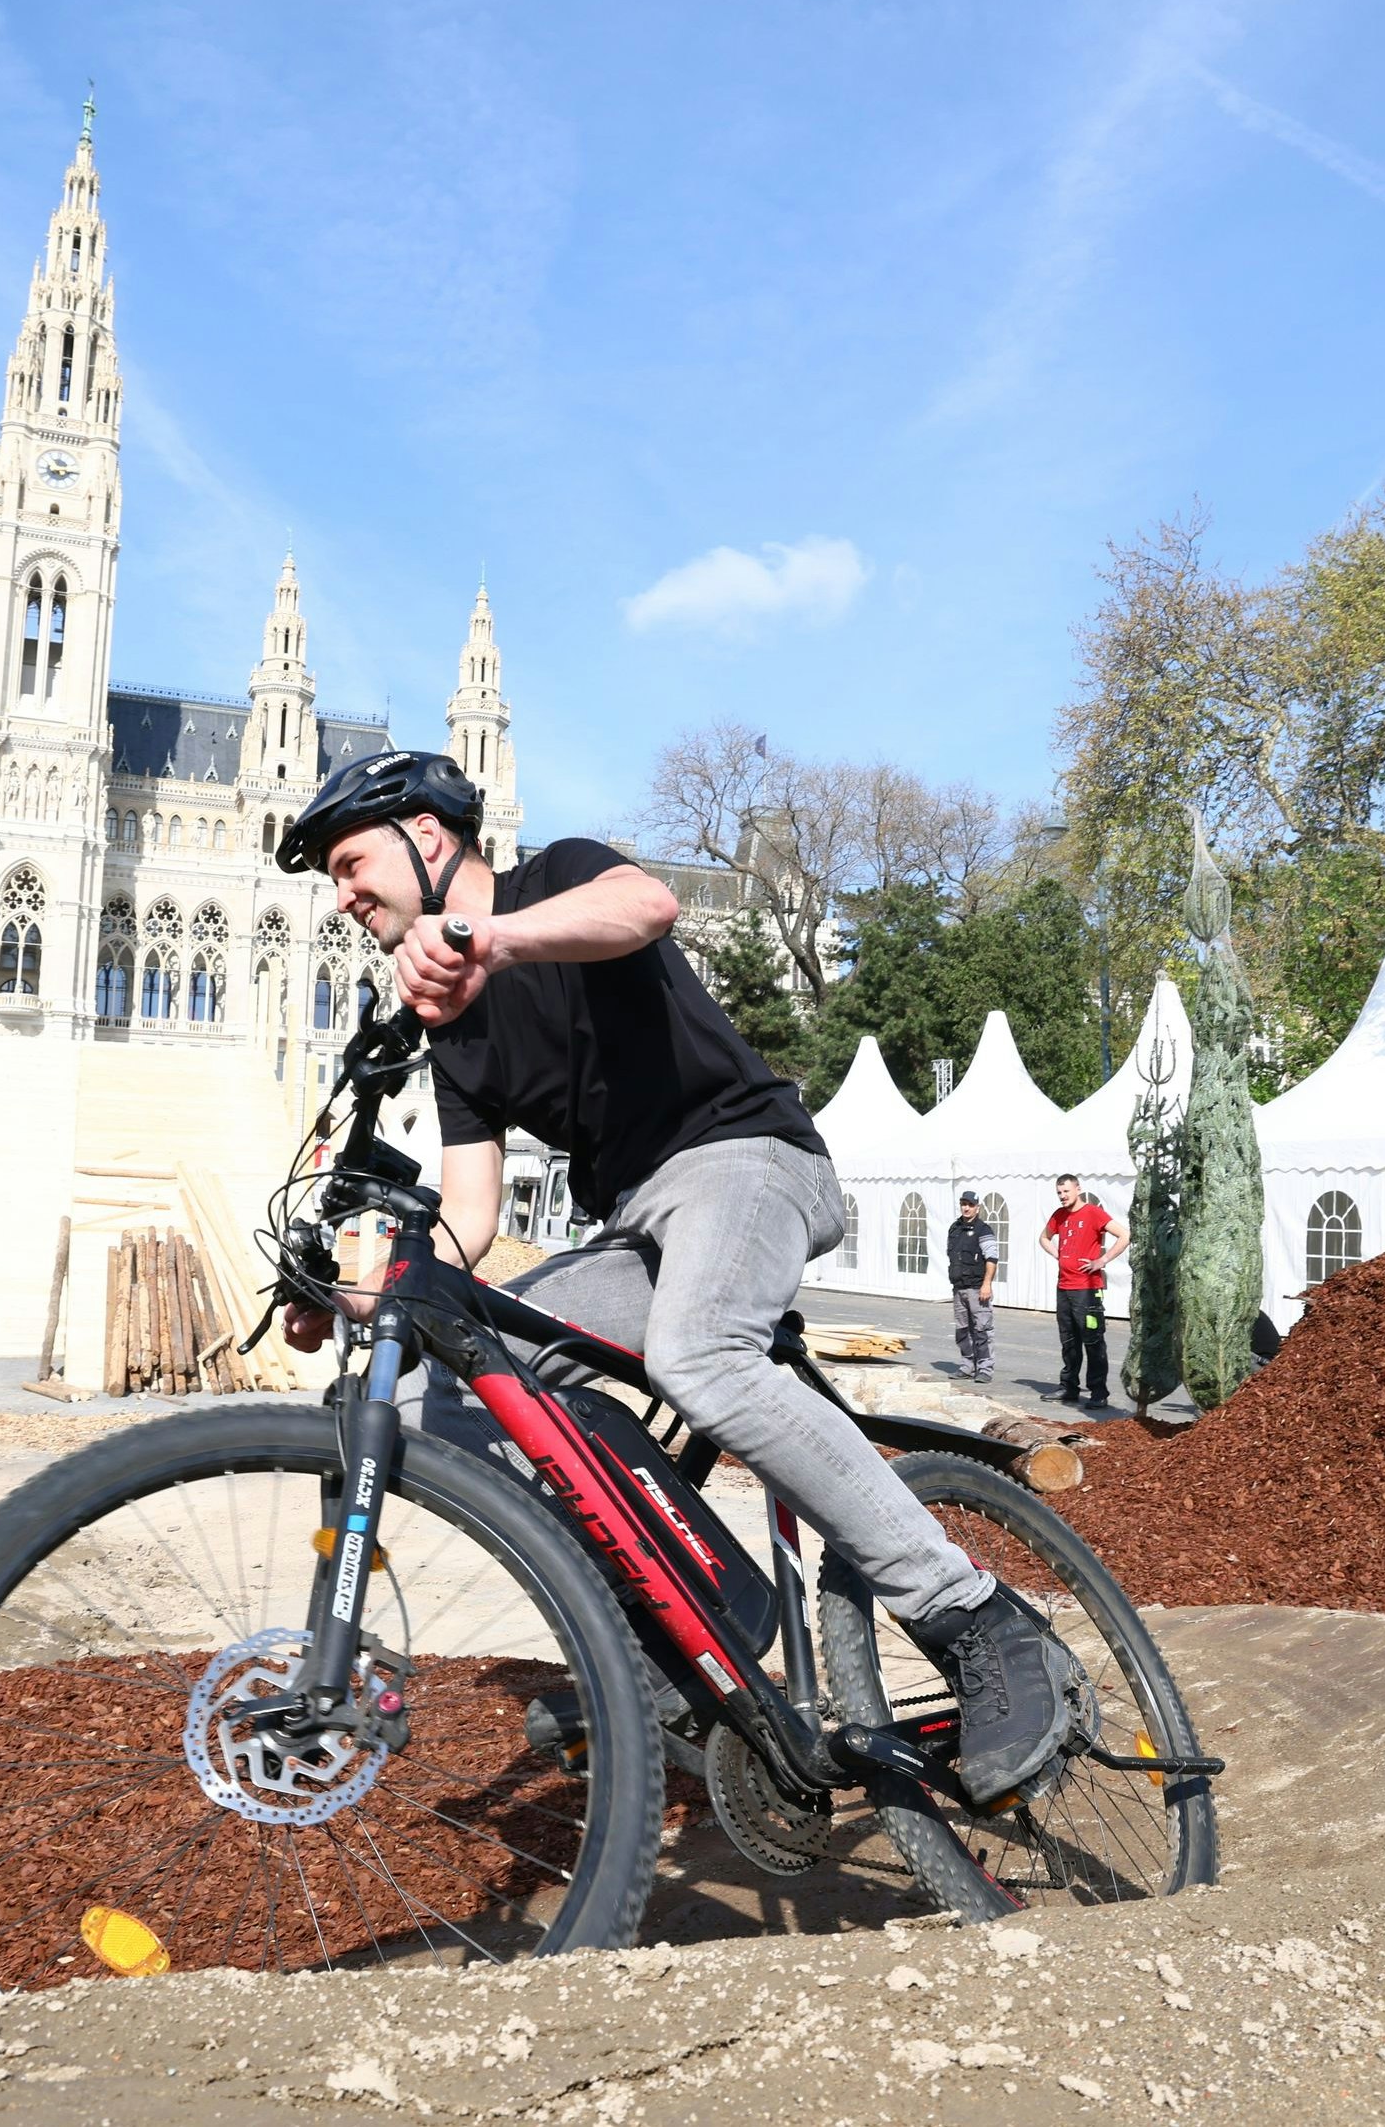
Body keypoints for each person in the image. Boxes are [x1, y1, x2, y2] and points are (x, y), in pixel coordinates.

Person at [272, 748, 1079, 1800]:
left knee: (697, 1351)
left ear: (427, 837)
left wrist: (490, 940)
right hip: (640, 1230)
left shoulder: (552, 880)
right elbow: (468, 1220)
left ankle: (975, 1618)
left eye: (347, 864)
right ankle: (700, 1621)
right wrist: (355, 1303)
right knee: (448, 1384)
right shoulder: (454, 1035)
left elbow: (645, 906)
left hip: (746, 1163)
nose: (342, 898)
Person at [1040, 1174, 1126, 1407]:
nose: (1062, 1196)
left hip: (1087, 1290)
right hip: (1064, 1287)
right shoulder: (1059, 1215)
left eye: (1066, 1191)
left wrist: (1103, 1260)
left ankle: (1099, 1392)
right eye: (1059, 1192)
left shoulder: (1093, 1213)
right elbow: (1044, 1238)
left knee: (1093, 1341)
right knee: (1069, 1341)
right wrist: (1057, 1253)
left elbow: (1124, 1235)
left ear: (1078, 1189)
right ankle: (1069, 1387)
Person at [942, 1190, 1000, 1380]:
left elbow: (992, 1258)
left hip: (977, 1288)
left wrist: (987, 1285)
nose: (966, 1208)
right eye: (963, 1204)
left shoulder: (984, 1230)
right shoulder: (954, 1228)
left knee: (982, 1330)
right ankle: (967, 1365)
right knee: (962, 1330)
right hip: (959, 1288)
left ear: (977, 1207)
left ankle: (984, 1369)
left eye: (970, 1204)